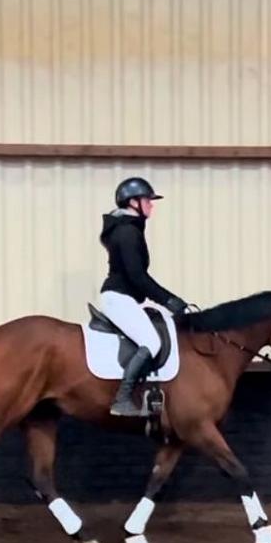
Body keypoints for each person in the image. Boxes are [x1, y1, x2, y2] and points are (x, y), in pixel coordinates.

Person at [99, 177, 187, 416]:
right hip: (119, 297)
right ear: (133, 202)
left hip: (123, 297)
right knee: (152, 342)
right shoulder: (127, 232)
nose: (151, 205)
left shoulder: (128, 229)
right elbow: (137, 276)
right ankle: (122, 398)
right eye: (147, 200)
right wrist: (169, 300)